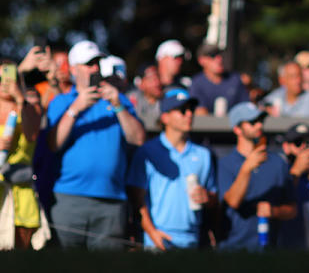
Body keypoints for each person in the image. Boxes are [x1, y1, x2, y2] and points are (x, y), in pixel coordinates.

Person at [47, 40, 145, 249]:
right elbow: (53, 144)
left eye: (97, 62)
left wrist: (118, 105)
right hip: (69, 198)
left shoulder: (118, 100)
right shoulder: (62, 102)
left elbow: (138, 139)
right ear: (73, 69)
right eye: (88, 63)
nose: (94, 68)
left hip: (111, 200)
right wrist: (76, 108)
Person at [126, 89, 217, 250]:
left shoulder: (203, 155)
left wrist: (206, 197)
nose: (189, 114)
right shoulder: (147, 152)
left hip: (192, 240)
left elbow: (213, 199)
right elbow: (137, 199)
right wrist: (152, 233)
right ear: (165, 117)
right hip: (158, 239)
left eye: (191, 110)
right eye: (182, 110)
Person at [218, 102, 296, 250]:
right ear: (237, 129)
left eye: (260, 120)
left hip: (271, 252)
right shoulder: (225, 163)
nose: (259, 125)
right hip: (234, 250)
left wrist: (274, 211)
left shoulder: (278, 162)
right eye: (252, 122)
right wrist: (246, 169)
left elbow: (292, 209)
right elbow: (232, 202)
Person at [0, 60, 44, 249]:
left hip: (21, 193)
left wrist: (20, 99)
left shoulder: (29, 107)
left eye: (9, 77)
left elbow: (32, 134)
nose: (4, 82)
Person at [276, 123, 309, 250]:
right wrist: (296, 171)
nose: (304, 147)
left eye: (308, 143)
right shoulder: (279, 172)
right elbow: (279, 199)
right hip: (284, 247)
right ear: (286, 147)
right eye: (298, 143)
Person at [189, 43, 248, 115]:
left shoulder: (235, 79)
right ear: (201, 60)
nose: (219, 59)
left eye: (220, 55)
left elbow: (245, 109)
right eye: (212, 56)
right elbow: (200, 114)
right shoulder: (197, 83)